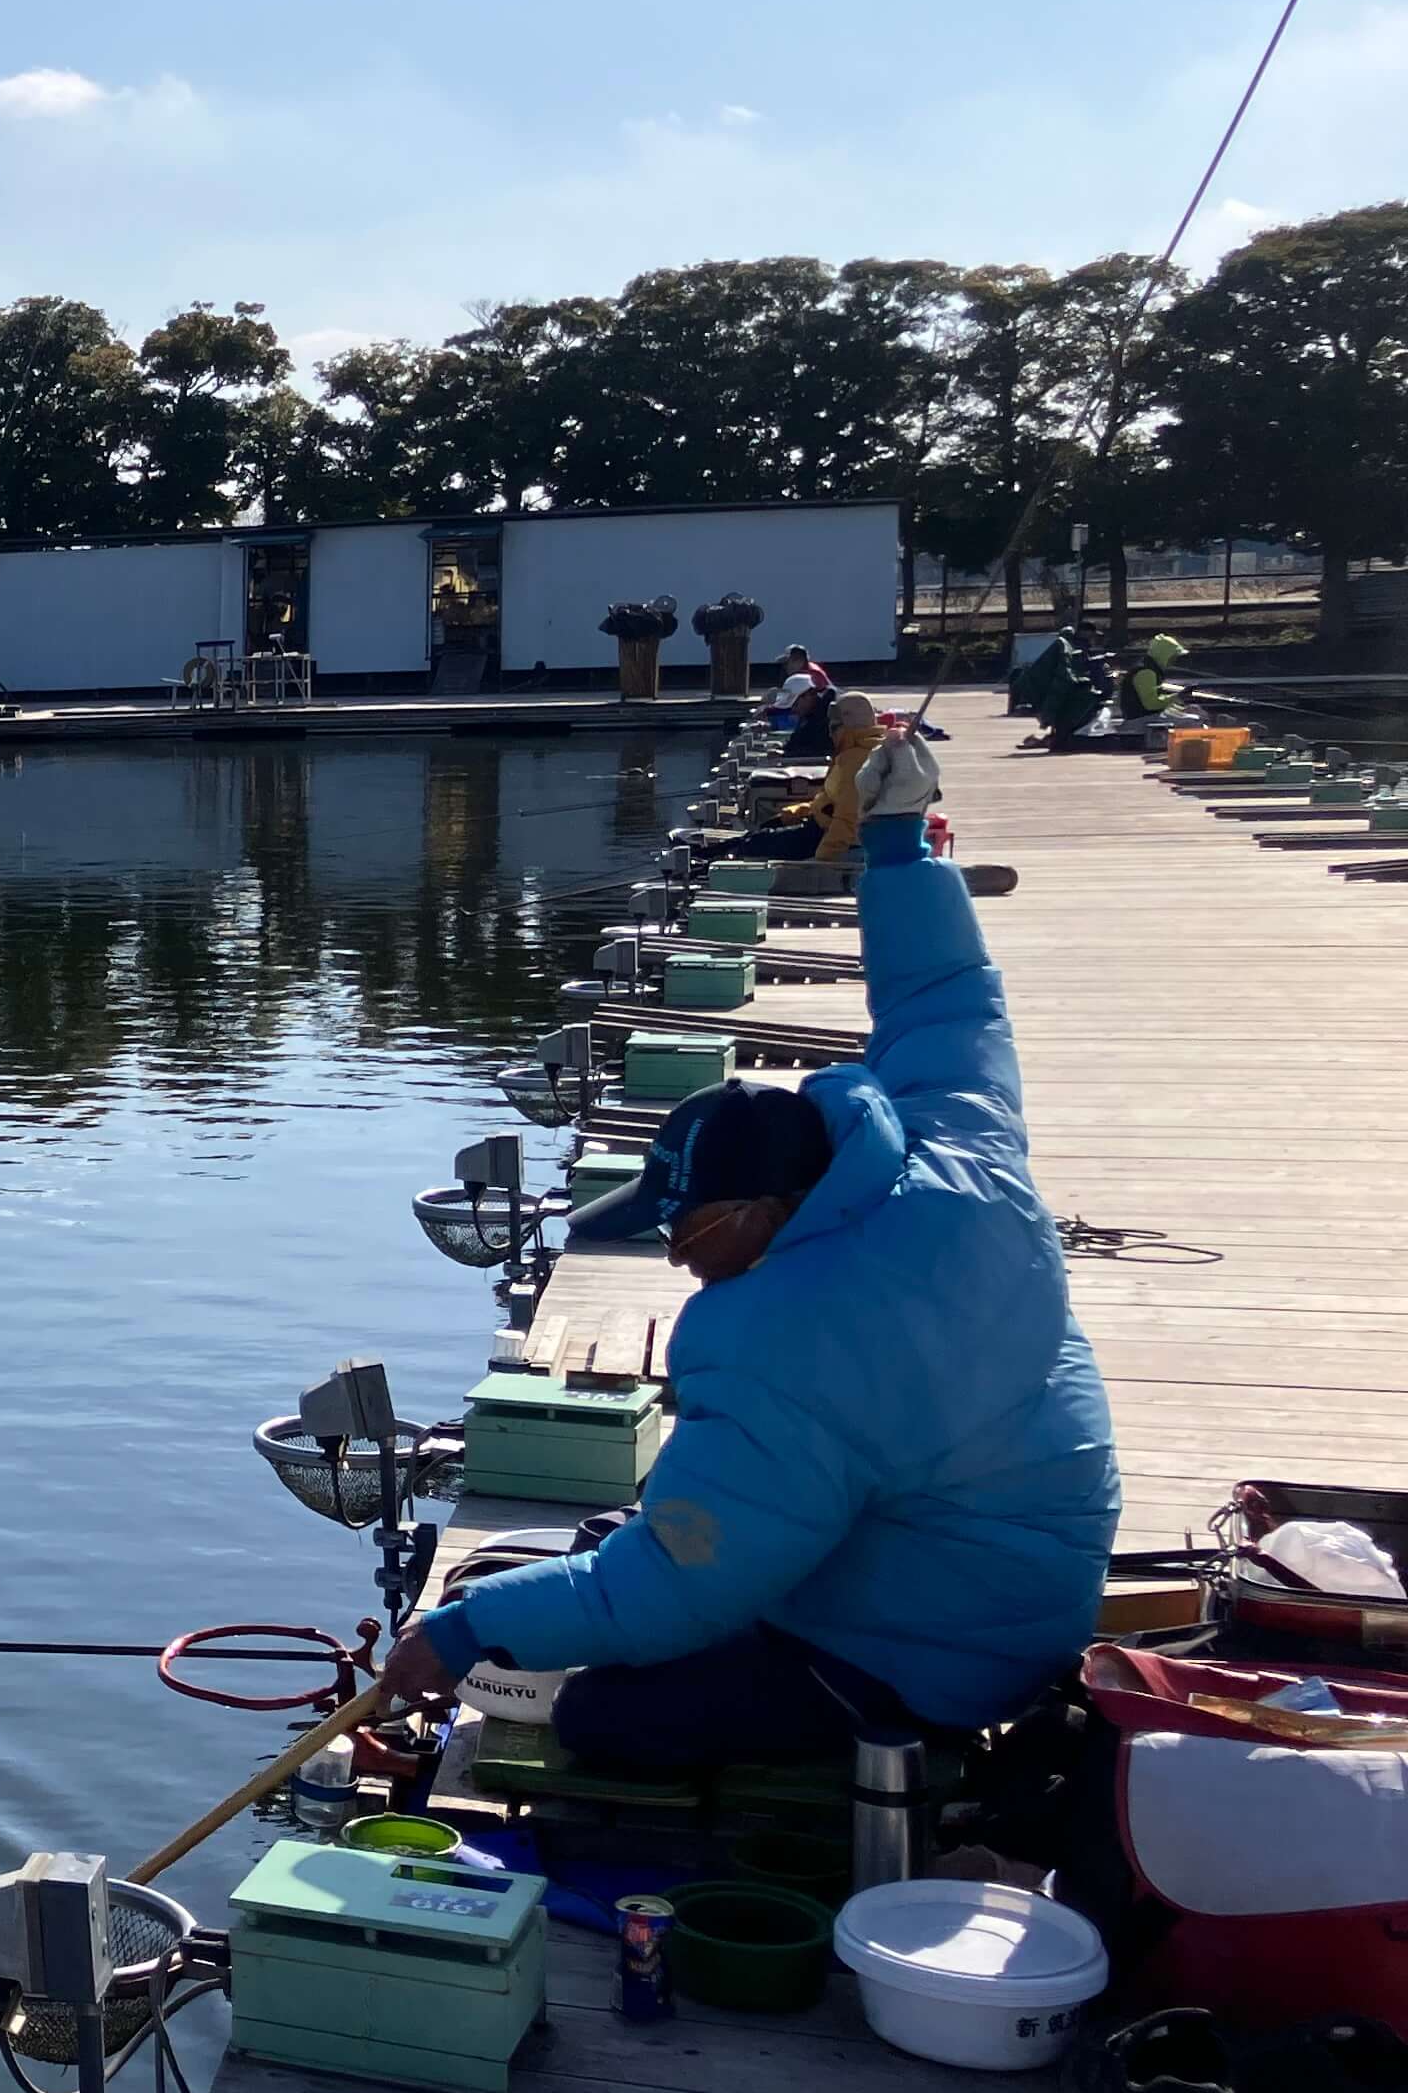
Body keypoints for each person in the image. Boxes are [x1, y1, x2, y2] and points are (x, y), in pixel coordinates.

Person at [383, 731, 1119, 1773]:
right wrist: (901, 845)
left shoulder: (794, 1342)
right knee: (633, 1545)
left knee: (602, 1716)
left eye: (688, 1229)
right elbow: (945, 998)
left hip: (931, 1658)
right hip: (1009, 1563)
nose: (679, 1257)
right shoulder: (952, 1148)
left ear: (766, 1211)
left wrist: (460, 1632)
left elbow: (679, 1590)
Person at [714, 690, 882, 863]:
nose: (830, 734)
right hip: (819, 829)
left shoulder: (855, 762)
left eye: (834, 727)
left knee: (752, 845)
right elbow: (829, 803)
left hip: (827, 839)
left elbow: (847, 821)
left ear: (848, 727)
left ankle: (710, 858)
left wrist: (823, 859)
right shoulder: (854, 754)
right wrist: (791, 814)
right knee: (756, 838)